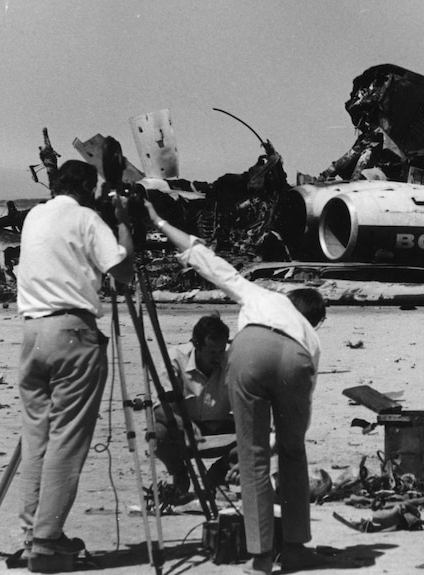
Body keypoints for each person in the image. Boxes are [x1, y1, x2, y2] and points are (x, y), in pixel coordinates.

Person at [143, 200, 330, 575]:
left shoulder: (263, 296)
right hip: (298, 358)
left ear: (289, 300)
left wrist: (157, 220)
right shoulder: (312, 336)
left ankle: (261, 557)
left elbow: (204, 259)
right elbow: (297, 420)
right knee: (293, 454)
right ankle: (294, 549)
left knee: (253, 457)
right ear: (313, 319)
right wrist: (285, 440)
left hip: (250, 348)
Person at [17, 160, 134, 572]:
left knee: (38, 440)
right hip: (72, 332)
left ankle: (35, 534)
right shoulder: (85, 218)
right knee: (67, 439)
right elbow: (123, 271)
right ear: (87, 189)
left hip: (32, 334)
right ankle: (47, 543)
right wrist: (122, 223)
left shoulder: (34, 215)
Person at [153, 314, 235, 500]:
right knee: (158, 434)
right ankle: (180, 474)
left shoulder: (232, 359)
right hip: (185, 429)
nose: (218, 357)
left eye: (221, 350)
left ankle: (217, 475)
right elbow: (160, 409)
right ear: (197, 345)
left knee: (262, 433)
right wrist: (186, 425)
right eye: (212, 352)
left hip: (220, 425)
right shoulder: (174, 358)